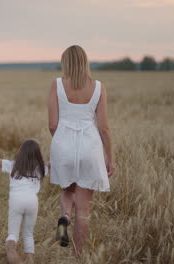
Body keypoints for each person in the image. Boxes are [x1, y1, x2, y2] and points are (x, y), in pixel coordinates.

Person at [48, 45, 115, 257]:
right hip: (90, 147)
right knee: (84, 208)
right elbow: (104, 127)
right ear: (85, 62)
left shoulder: (57, 84)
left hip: (63, 144)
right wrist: (110, 157)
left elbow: (52, 124)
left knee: (68, 189)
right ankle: (77, 256)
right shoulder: (99, 87)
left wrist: (61, 144)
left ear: (65, 62)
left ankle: (65, 216)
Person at [0, 139, 48, 264]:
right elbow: (53, 164)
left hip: (16, 200)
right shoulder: (42, 168)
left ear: (21, 153)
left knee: (13, 233)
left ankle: (11, 244)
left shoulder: (13, 165)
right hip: (32, 201)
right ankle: (30, 259)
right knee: (28, 234)